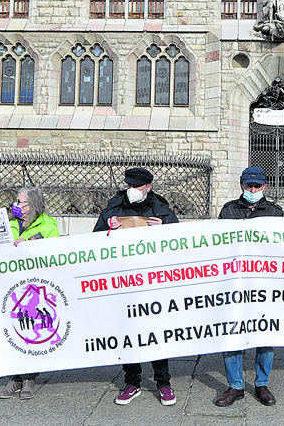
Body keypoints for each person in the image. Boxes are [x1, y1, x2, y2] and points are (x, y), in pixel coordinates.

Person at [93, 168, 180, 407]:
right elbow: (94, 240)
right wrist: (107, 229)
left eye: (138, 187)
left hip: (152, 282)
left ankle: (164, 383)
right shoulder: (113, 207)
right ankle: (132, 382)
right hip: (122, 282)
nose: (133, 190)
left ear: (148, 187)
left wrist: (165, 227)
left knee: (155, 332)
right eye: (130, 185)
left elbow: (180, 239)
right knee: (127, 332)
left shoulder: (161, 208)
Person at [214, 166, 284, 407]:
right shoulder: (229, 210)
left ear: (265, 187)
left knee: (264, 333)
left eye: (257, 186)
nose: (252, 190)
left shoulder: (275, 212)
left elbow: (281, 246)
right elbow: (219, 243)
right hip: (235, 281)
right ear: (241, 185)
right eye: (248, 186)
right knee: (232, 333)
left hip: (263, 282)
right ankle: (235, 385)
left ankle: (262, 383)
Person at [0, 186, 59, 400]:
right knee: (10, 329)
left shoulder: (48, 225)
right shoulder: (7, 224)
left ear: (33, 205)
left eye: (21, 202)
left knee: (29, 331)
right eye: (16, 201)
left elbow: (54, 251)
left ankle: (29, 378)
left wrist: (30, 246)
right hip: (8, 285)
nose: (16, 206)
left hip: (33, 288)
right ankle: (14, 377)